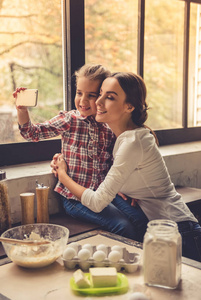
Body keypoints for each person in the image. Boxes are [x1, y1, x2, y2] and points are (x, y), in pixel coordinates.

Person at [55, 71, 201, 262]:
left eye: (110, 97)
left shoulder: (133, 142)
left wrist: (63, 175)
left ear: (129, 106)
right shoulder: (124, 138)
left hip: (181, 233)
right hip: (162, 230)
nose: (98, 102)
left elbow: (98, 202)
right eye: (100, 94)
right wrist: (124, 190)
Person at [13, 64, 148, 241]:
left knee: (142, 221)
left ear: (102, 95)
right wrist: (22, 111)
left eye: (91, 95)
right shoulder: (70, 120)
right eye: (79, 93)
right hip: (75, 199)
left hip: (105, 193)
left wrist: (124, 188)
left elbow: (119, 162)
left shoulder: (111, 124)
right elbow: (32, 133)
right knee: (123, 227)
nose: (83, 101)